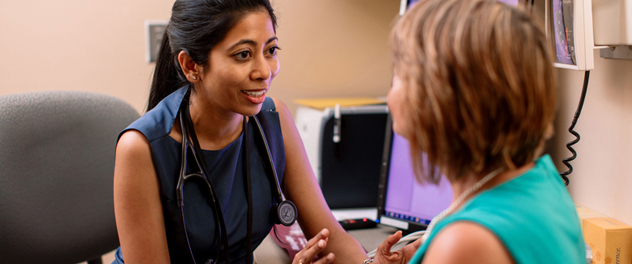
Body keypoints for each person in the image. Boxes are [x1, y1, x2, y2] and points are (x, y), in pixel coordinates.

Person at [112, 0, 419, 263]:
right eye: (243, 55)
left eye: (270, 50)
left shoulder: (273, 120)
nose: (265, 71)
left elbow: (332, 239)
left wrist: (370, 262)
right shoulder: (141, 148)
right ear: (192, 65)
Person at [385, 0, 586, 263]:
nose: (390, 84)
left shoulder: (464, 244)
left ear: (441, 100)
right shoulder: (541, 180)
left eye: (399, 70)